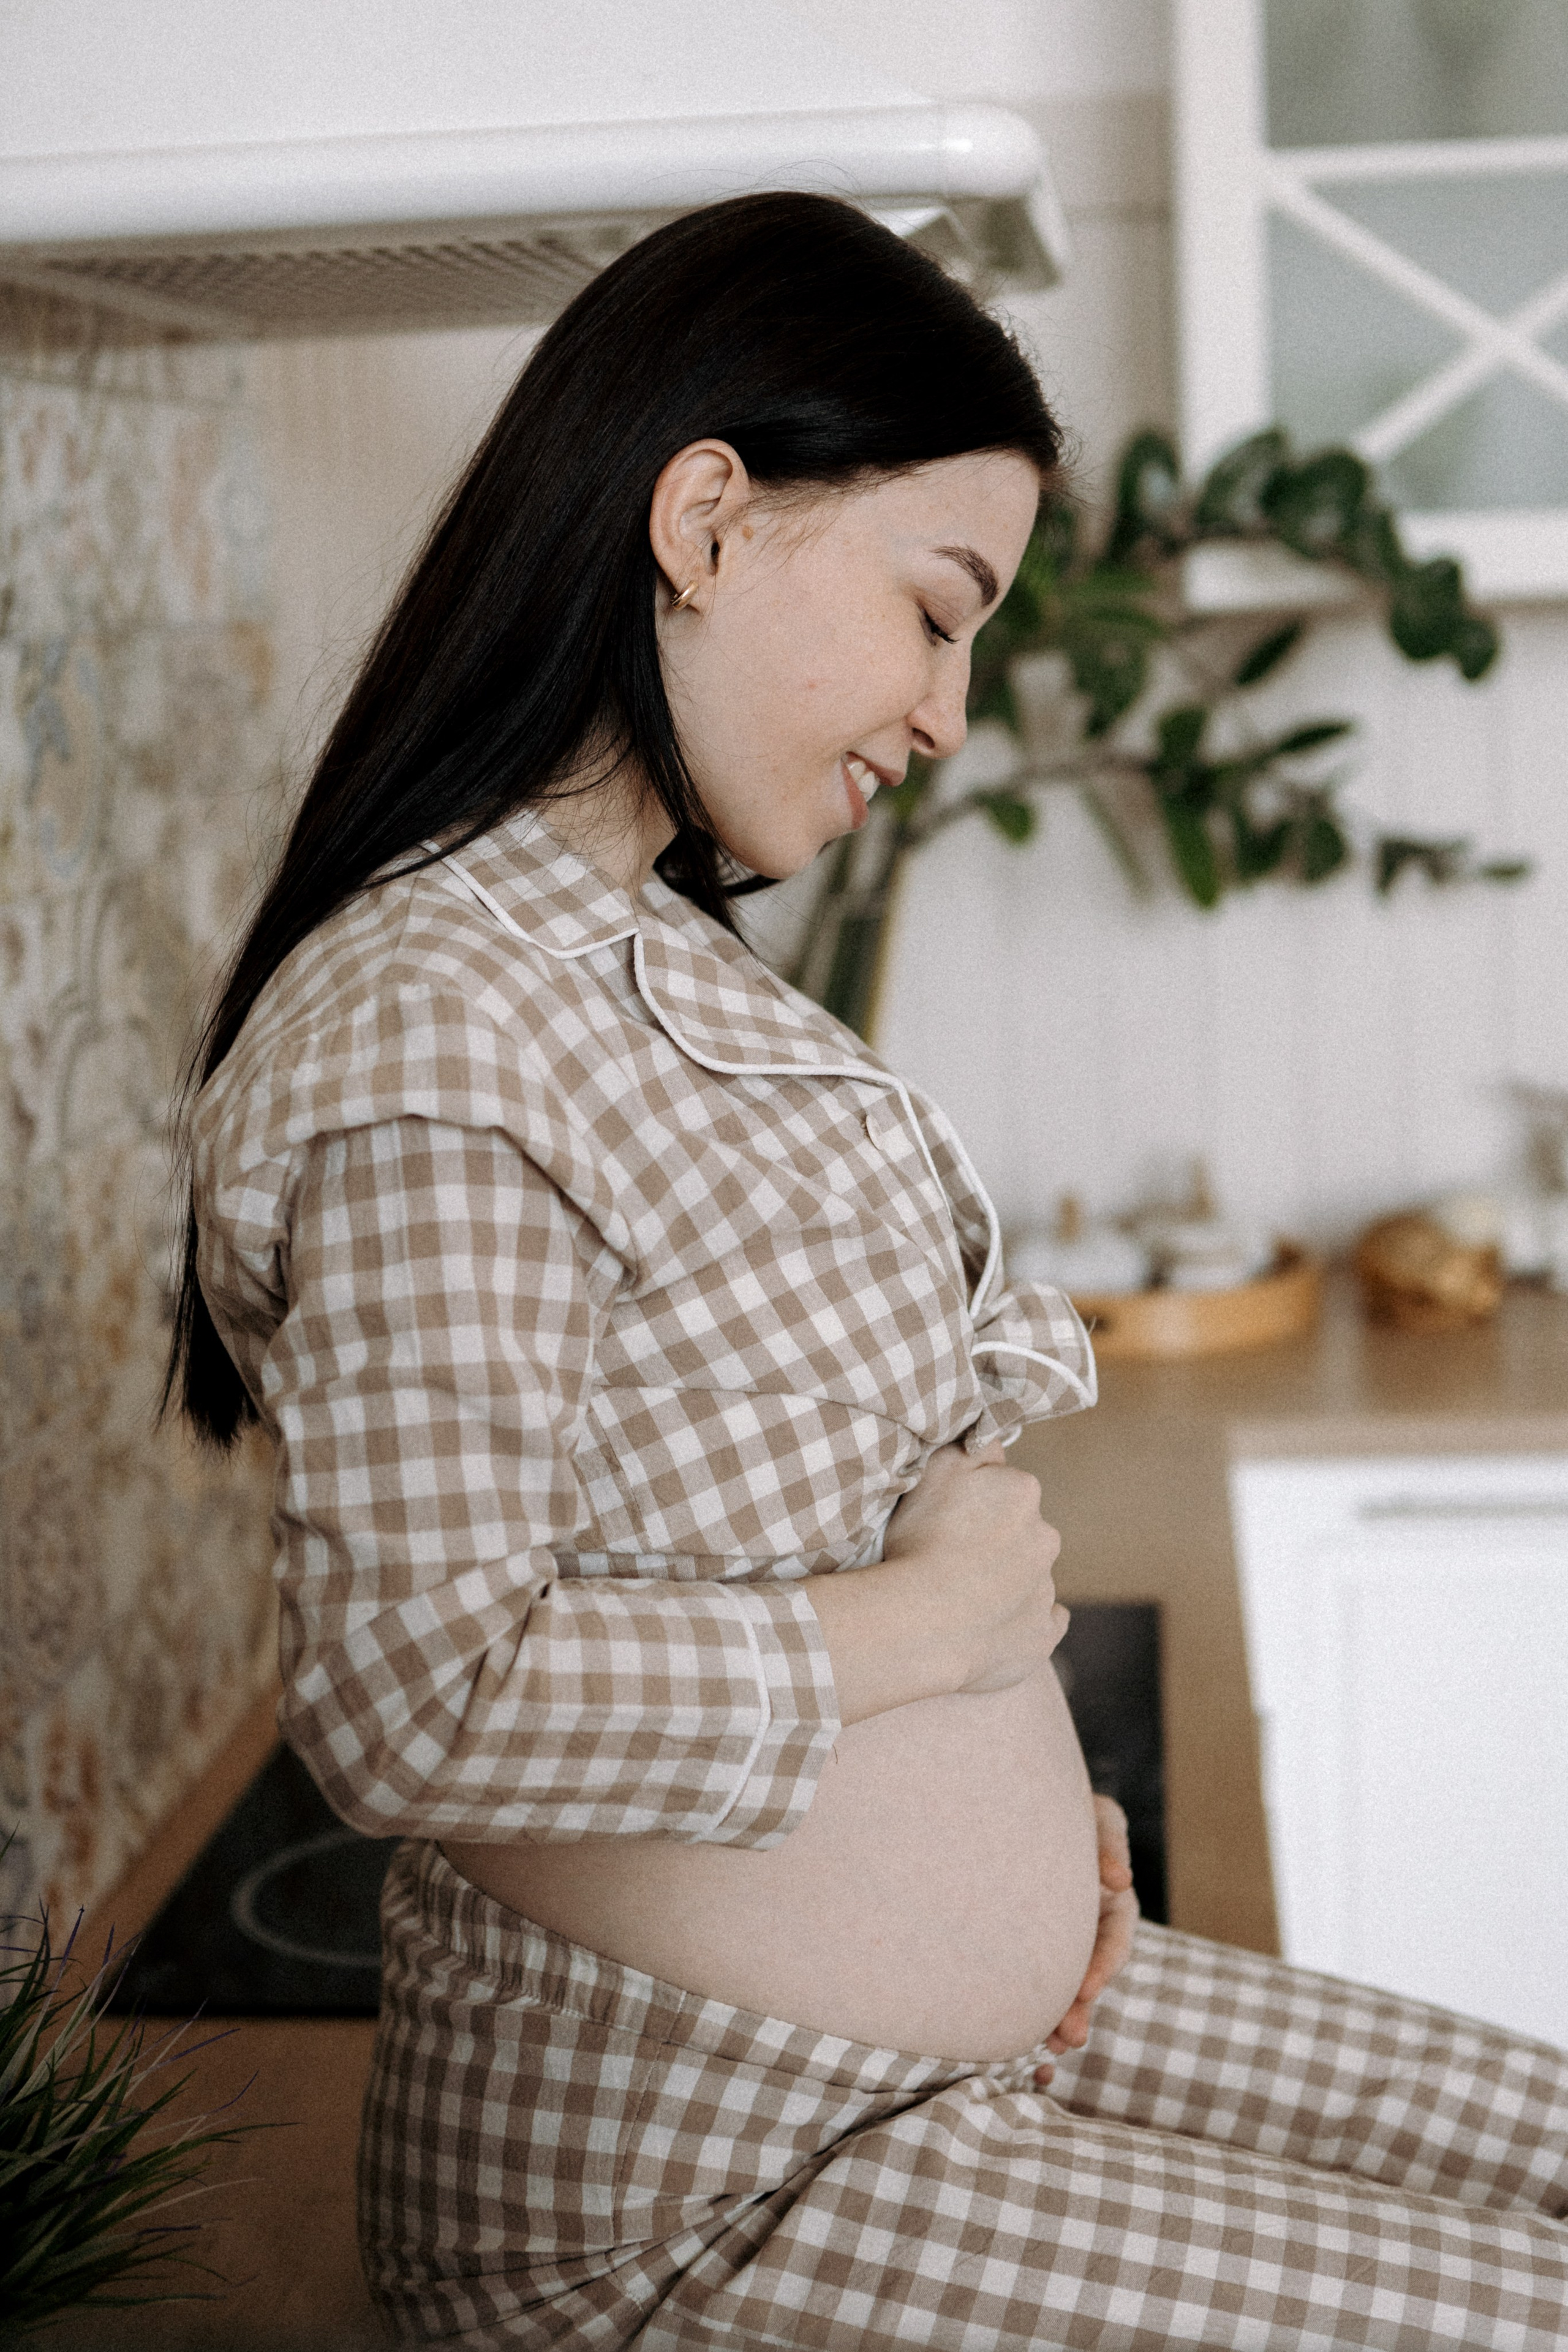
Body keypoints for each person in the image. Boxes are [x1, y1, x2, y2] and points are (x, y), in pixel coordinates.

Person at [168, 192, 1568, 2350]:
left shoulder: (620, 960)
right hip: (703, 2173)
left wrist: (1024, 1798)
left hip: (965, 2047)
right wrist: (916, 1637)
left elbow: (736, 1478)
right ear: (710, 521)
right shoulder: (443, 1021)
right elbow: (411, 1693)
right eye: (938, 610)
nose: (953, 709)